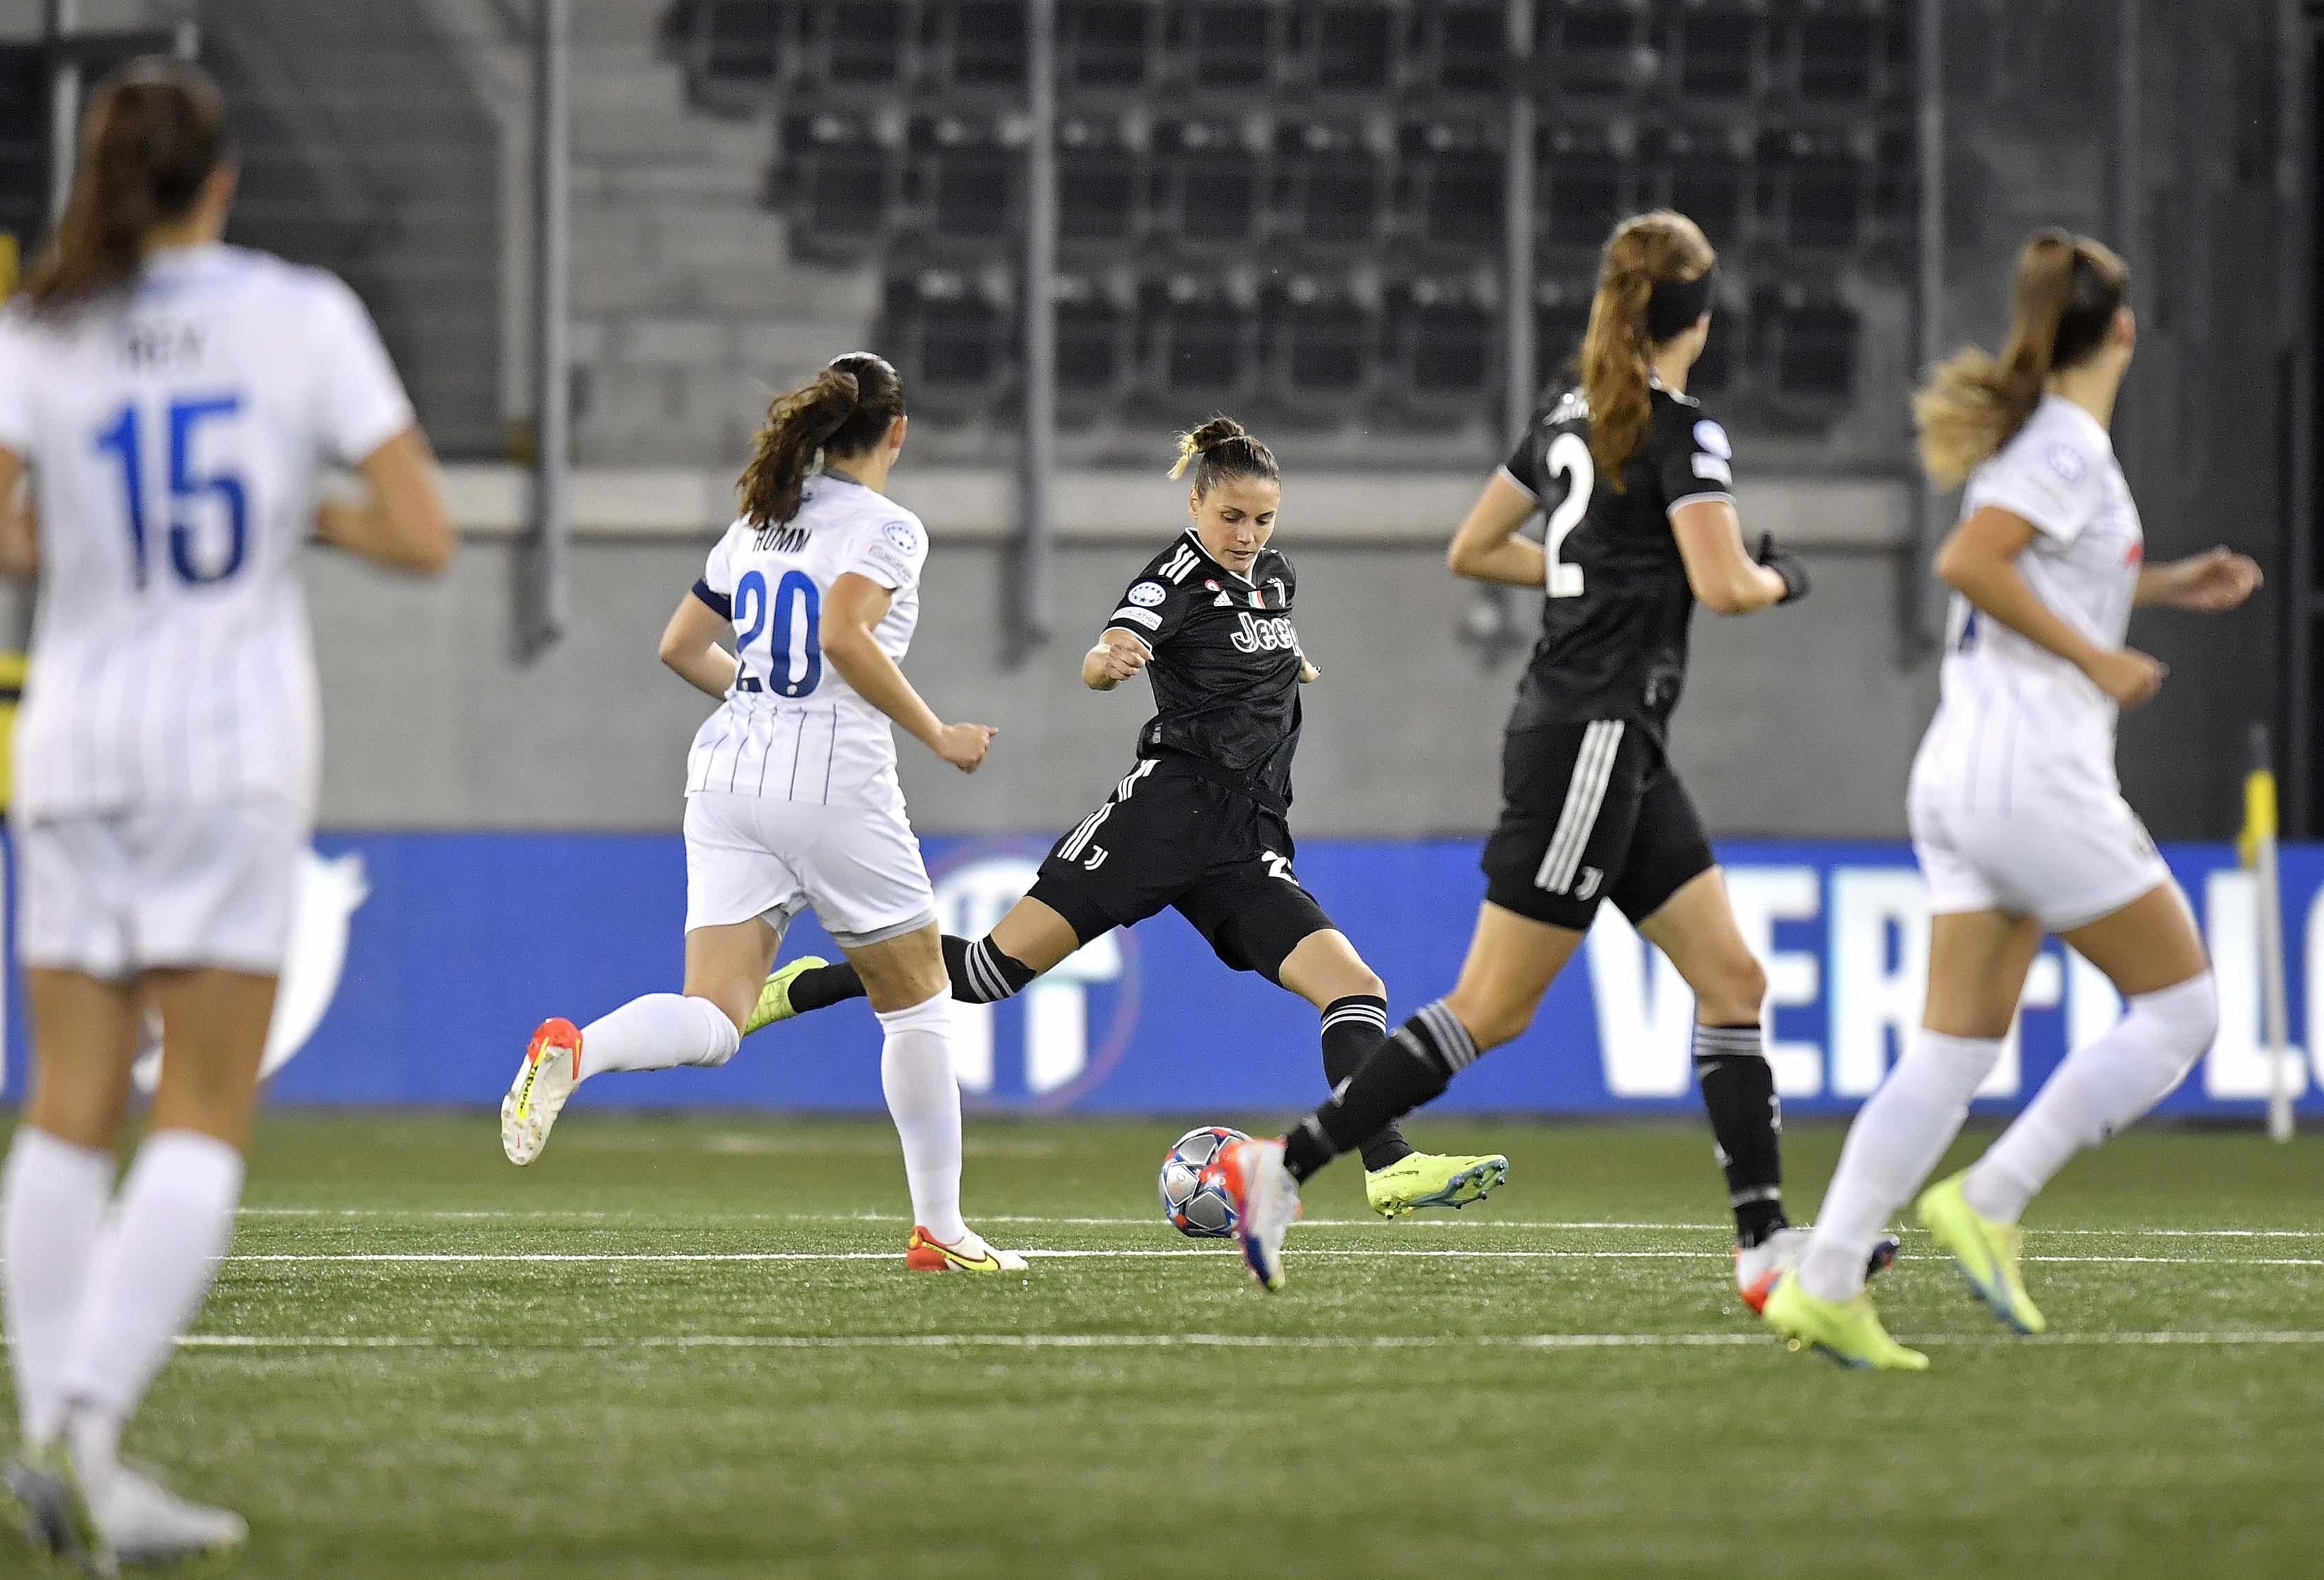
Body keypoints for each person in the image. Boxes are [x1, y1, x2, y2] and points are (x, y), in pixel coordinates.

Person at [0, 58, 455, 1574]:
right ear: (224, 181)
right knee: (202, 1111)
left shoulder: (44, 325)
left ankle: (61, 1447)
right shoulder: (300, 317)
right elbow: (421, 533)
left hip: (76, 747)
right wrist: (305, 512)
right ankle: (81, 1437)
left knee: (67, 1103)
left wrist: (85, 539)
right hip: (228, 755)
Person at [1219, 209, 1891, 1299]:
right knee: (1493, 1007)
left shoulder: (1569, 417)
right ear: (1701, 318)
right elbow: (1726, 586)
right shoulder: (1681, 430)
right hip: (1590, 733)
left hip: (1617, 739)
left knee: (1733, 977)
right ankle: (1281, 1168)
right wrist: (1783, 575)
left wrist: (1590, 572)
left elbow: (1476, 547)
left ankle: (1767, 1247)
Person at [741, 417, 1511, 1217]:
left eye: (1263, 519)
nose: (1247, 535)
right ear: (1197, 504)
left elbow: (1259, 644)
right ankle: (811, 985)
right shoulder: (1171, 578)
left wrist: (1291, 666)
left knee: (1356, 989)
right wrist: (1106, 664)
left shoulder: (1275, 578)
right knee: (985, 976)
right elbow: (1110, 647)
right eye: (1232, 518)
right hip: (1161, 822)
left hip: (1243, 842)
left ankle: (1387, 1165)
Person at [1761, 232, 2260, 1370]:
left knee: (1951, 1048)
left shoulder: (2049, 444)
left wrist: (2167, 585)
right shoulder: (2067, 446)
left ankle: (1828, 1281)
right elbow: (1969, 563)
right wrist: (2095, 660)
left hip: (1964, 772)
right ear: (2121, 332)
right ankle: (1986, 1199)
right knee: (2180, 1011)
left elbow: (2037, 569)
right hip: (2031, 774)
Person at [499, 352, 1028, 1274]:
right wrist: (938, 733)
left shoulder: (758, 518)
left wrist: (757, 698)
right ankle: (940, 1230)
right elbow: (841, 634)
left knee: (717, 1018)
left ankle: (578, 1051)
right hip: (832, 780)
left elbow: (681, 646)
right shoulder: (890, 530)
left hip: (729, 773)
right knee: (916, 1007)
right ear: (898, 433)